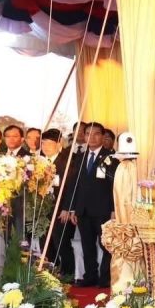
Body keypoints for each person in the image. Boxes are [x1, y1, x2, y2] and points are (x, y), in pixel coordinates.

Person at [70, 122, 118, 287]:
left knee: (106, 245)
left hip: (103, 210)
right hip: (83, 210)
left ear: (103, 136)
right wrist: (73, 208)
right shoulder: (80, 157)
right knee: (87, 245)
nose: (91, 137)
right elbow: (74, 184)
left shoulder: (111, 158)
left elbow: (114, 186)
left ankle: (105, 278)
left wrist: (113, 209)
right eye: (88, 133)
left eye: (96, 133)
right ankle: (90, 276)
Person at [40, 128, 78, 277]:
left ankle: (68, 273)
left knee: (61, 242)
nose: (45, 147)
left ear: (58, 144)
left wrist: (67, 208)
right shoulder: (39, 162)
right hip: (43, 209)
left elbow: (71, 188)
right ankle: (50, 273)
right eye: (43, 143)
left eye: (49, 143)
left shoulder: (67, 162)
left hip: (60, 209)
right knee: (45, 242)